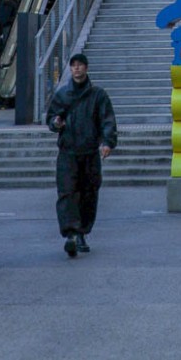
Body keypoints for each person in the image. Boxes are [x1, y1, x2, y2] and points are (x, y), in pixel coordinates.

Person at [45, 53, 117, 257]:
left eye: (80, 65)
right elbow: (51, 118)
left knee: (88, 193)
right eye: (73, 65)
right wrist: (56, 123)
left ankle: (82, 232)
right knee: (67, 193)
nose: (76, 69)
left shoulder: (98, 95)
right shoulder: (62, 95)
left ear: (86, 68)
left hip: (89, 152)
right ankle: (71, 234)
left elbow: (107, 120)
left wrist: (107, 142)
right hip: (68, 152)